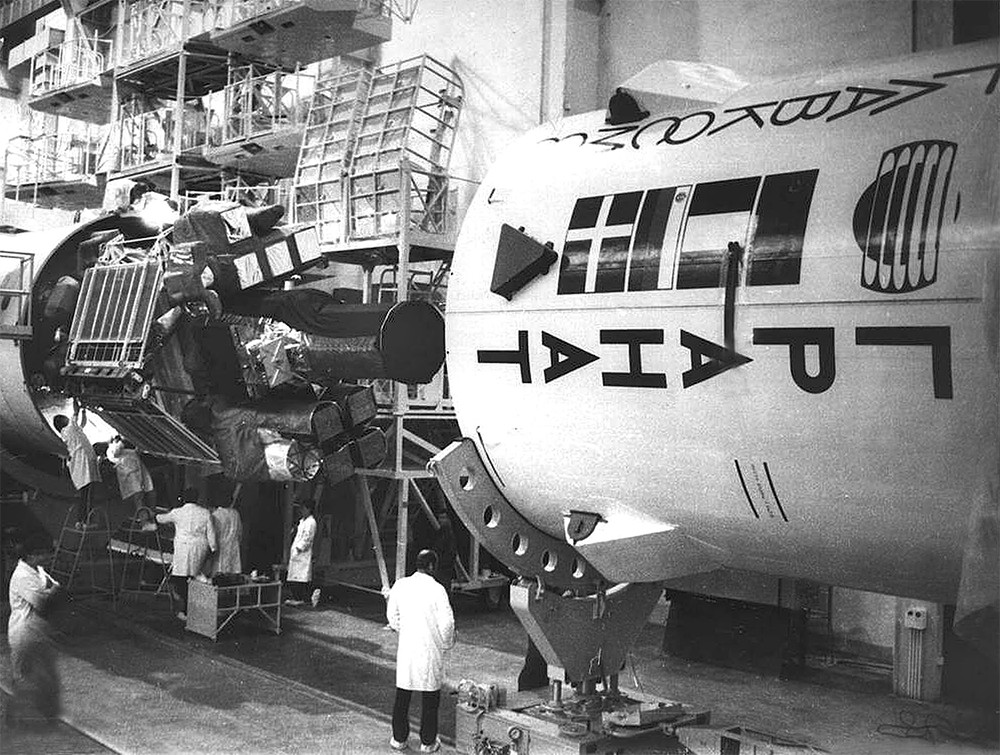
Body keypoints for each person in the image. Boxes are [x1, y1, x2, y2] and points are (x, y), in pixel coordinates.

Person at [386, 549, 455, 753]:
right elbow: (447, 624)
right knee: (430, 699)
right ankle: (427, 742)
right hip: (429, 649)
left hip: (407, 649)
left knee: (402, 696)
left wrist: (404, 630)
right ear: (432, 566)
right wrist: (446, 643)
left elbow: (392, 616)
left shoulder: (401, 585)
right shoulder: (437, 590)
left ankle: (399, 739)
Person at [7, 534, 63, 724]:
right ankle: (15, 717)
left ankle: (48, 716)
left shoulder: (38, 569)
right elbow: (43, 602)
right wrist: (52, 591)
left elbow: (54, 588)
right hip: (23, 632)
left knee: (48, 677)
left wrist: (52, 591)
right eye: (42, 553)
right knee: (23, 677)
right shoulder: (22, 575)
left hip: (39, 631)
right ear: (31, 556)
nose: (47, 556)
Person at [156, 487, 217, 621]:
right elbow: (211, 534)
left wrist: (151, 514)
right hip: (200, 547)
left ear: (184, 498)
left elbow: (161, 519)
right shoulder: (205, 513)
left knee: (181, 577)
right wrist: (213, 549)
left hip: (183, 548)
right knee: (195, 575)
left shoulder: (177, 512)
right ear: (197, 499)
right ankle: (195, 608)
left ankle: (186, 610)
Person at [52, 403, 101, 528]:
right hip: (84, 463)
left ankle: (80, 521)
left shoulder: (67, 433)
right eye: (65, 418)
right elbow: (75, 413)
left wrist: (83, 412)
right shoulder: (70, 429)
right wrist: (76, 400)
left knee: (84, 494)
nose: (67, 419)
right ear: (62, 422)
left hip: (80, 465)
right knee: (88, 494)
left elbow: (82, 424)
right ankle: (85, 521)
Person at [105, 436, 154, 513]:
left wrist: (138, 446)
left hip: (139, 472)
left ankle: (150, 512)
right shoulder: (111, 450)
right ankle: (142, 516)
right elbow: (116, 452)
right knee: (137, 496)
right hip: (130, 475)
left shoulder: (127, 451)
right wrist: (119, 442)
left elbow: (136, 452)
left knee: (147, 492)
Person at [285, 500, 317, 607]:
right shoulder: (302, 521)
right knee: (295, 577)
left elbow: (308, 538)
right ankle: (296, 597)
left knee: (302, 578)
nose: (302, 511)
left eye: (304, 508)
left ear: (309, 509)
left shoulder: (311, 522)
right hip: (296, 553)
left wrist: (299, 548)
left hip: (302, 553)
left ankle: (301, 598)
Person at [210, 499, 242, 576]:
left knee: (219, 575)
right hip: (233, 548)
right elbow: (240, 532)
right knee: (232, 575)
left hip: (220, 548)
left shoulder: (216, 514)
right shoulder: (235, 514)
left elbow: (212, 534)